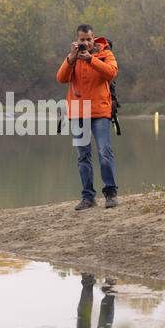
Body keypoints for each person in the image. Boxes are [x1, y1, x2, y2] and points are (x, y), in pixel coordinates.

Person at [56, 24, 119, 210]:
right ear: (77, 40)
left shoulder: (104, 53)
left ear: (94, 38)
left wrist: (91, 59)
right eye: (82, 40)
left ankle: (110, 194)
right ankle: (88, 197)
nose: (85, 43)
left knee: (104, 152)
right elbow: (61, 78)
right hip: (78, 113)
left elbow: (112, 73)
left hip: (100, 112)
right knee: (83, 156)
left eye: (88, 39)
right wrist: (70, 58)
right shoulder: (73, 57)